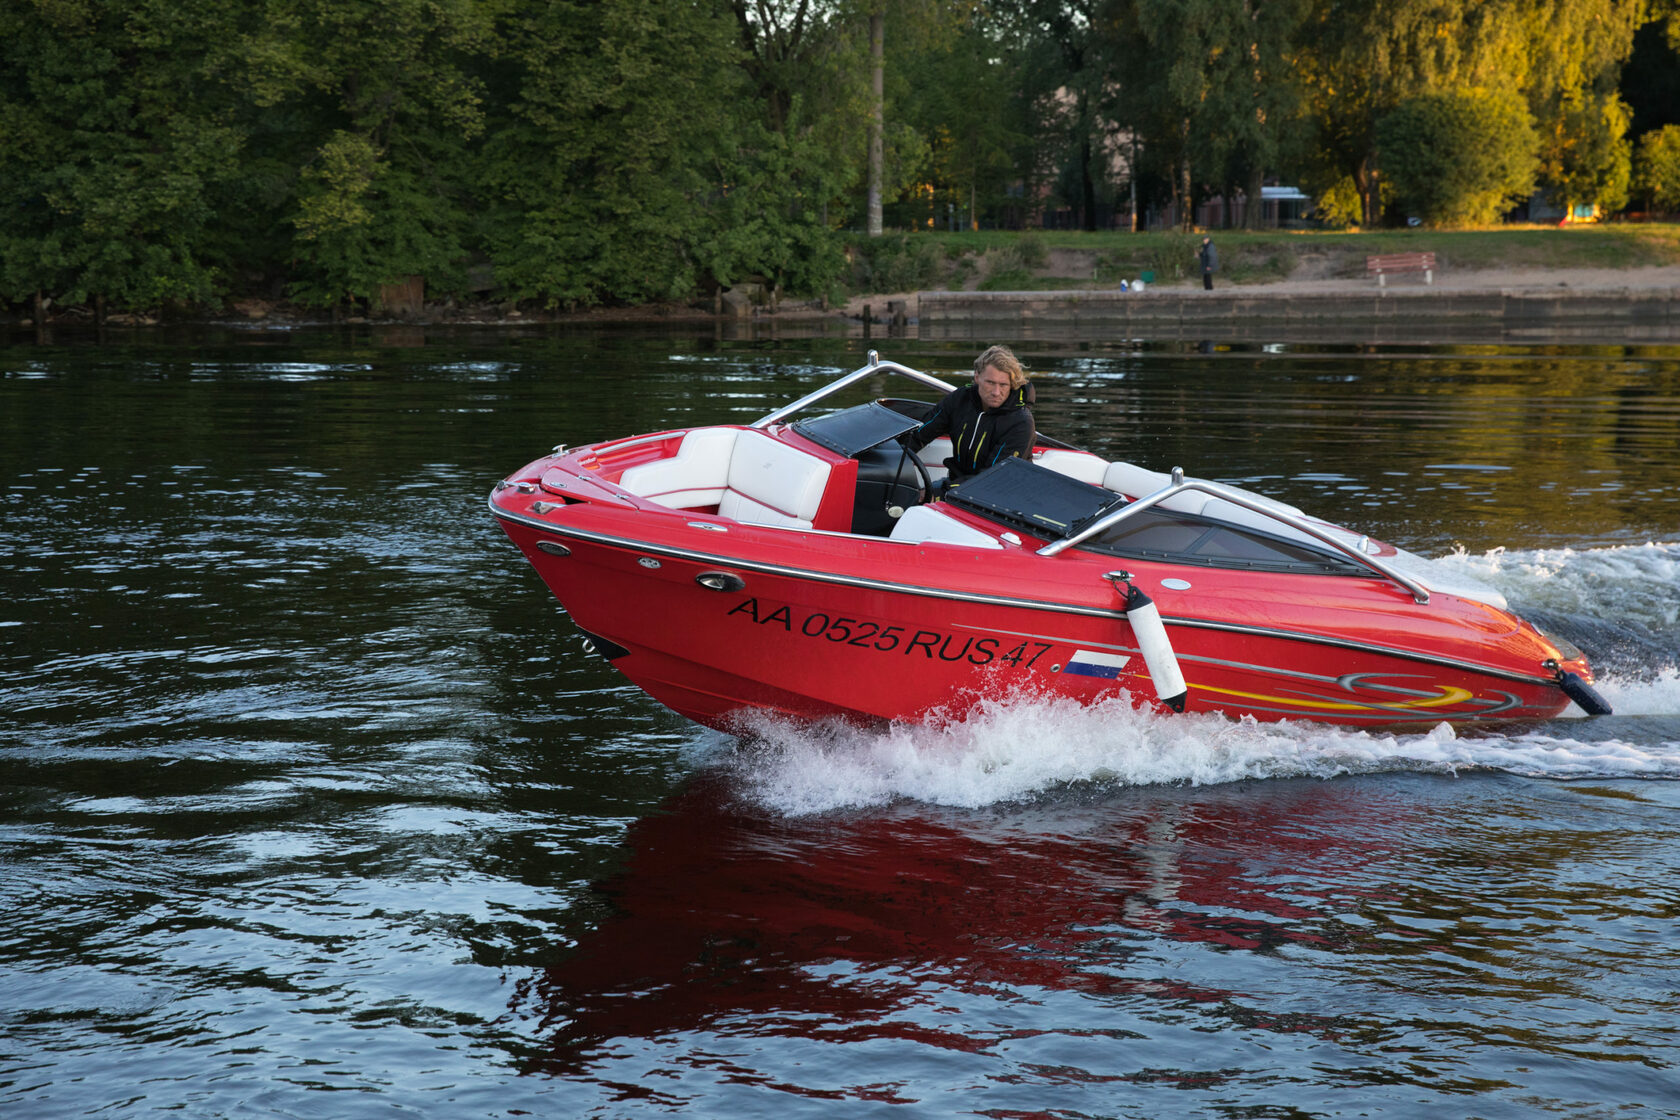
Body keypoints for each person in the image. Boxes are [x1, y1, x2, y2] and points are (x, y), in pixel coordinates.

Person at [905, 344, 1035, 489]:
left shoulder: (1021, 422)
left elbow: (994, 477)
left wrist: (940, 492)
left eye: (1003, 385)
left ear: (1012, 385)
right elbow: (919, 435)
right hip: (956, 485)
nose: (996, 392)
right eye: (990, 383)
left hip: (1001, 494)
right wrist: (895, 458)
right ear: (977, 377)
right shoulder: (960, 399)